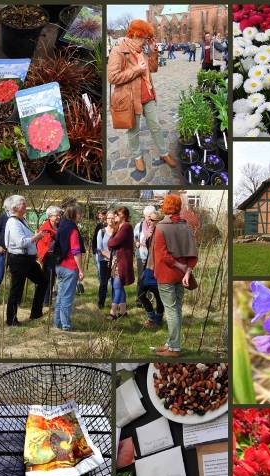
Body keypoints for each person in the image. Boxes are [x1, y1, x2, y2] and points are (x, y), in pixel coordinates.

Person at [107, 19, 177, 180]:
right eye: (144, 37)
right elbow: (112, 77)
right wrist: (136, 70)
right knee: (133, 131)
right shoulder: (119, 51)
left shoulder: (141, 51)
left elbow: (152, 69)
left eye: (147, 38)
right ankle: (138, 157)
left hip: (148, 96)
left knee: (156, 126)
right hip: (131, 99)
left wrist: (153, 52)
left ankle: (164, 153)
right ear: (134, 34)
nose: (146, 41)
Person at [148, 194, 198, 356]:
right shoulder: (186, 226)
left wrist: (179, 265)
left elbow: (162, 256)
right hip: (182, 276)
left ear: (165, 207)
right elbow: (193, 254)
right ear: (179, 206)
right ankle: (170, 343)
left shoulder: (161, 228)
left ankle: (175, 348)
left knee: (171, 310)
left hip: (166, 275)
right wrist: (187, 271)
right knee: (176, 309)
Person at [3, 195, 48, 326]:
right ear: (15, 207)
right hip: (19, 260)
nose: (25, 205)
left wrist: (34, 237)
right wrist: (36, 237)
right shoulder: (12, 222)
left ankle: (36, 313)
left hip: (28, 260)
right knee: (16, 290)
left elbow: (26, 238)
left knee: (43, 281)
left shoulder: (22, 220)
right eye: (23, 203)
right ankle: (11, 320)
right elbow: (21, 242)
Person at [53, 203, 85, 331]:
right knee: (67, 298)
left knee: (60, 296)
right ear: (73, 214)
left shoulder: (62, 226)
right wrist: (81, 270)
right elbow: (76, 251)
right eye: (79, 213)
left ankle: (58, 322)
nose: (81, 215)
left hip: (59, 265)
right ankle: (66, 325)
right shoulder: (72, 229)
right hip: (69, 267)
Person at [107, 207, 135, 320]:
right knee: (119, 285)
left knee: (117, 285)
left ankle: (113, 313)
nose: (115, 216)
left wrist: (111, 242)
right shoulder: (119, 227)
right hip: (116, 261)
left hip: (122, 262)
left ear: (124, 215)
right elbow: (111, 242)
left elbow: (114, 242)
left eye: (117, 214)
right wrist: (111, 242)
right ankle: (123, 312)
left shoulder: (126, 227)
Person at [138, 211, 164, 328]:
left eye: (152, 220)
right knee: (141, 293)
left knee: (159, 296)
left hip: (158, 269)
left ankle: (157, 320)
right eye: (149, 219)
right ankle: (152, 317)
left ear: (159, 221)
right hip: (148, 267)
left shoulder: (162, 232)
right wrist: (148, 236)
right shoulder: (151, 231)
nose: (149, 221)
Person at [36, 206, 62, 307]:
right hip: (48, 256)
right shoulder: (45, 228)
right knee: (48, 278)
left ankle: (48, 300)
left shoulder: (58, 227)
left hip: (57, 256)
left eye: (59, 215)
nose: (58, 217)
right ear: (50, 216)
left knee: (52, 279)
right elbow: (44, 244)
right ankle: (45, 301)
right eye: (56, 215)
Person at [134, 205, 157, 293]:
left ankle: (150, 297)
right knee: (141, 277)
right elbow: (135, 237)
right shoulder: (139, 226)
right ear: (144, 216)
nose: (149, 218)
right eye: (148, 216)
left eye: (151, 216)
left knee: (151, 278)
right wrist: (136, 242)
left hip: (152, 257)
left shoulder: (156, 226)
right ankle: (140, 299)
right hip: (141, 255)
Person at [96, 211, 115, 309]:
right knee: (103, 283)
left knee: (115, 284)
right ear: (106, 219)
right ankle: (101, 304)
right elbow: (99, 248)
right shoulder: (101, 232)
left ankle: (115, 304)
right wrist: (110, 257)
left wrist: (114, 259)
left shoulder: (117, 231)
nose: (110, 220)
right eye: (109, 218)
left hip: (115, 262)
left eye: (112, 218)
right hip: (104, 261)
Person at [91, 209, 106, 282]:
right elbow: (94, 238)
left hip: (106, 250)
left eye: (101, 216)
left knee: (105, 270)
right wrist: (94, 249)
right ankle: (101, 284)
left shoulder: (110, 226)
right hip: (98, 251)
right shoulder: (99, 225)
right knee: (99, 269)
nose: (99, 217)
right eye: (99, 216)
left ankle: (106, 285)